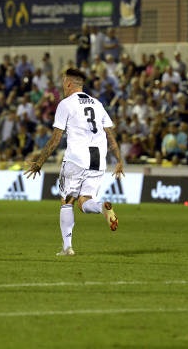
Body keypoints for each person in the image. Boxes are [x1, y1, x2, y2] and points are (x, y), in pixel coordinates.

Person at [24, 68, 124, 256]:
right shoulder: (97, 104)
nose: (62, 86)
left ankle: (67, 247)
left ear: (69, 84)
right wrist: (119, 160)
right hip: (98, 159)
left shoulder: (66, 104)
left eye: (63, 83)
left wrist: (39, 162)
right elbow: (110, 133)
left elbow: (56, 138)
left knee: (67, 201)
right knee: (85, 202)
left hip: (76, 158)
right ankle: (102, 207)